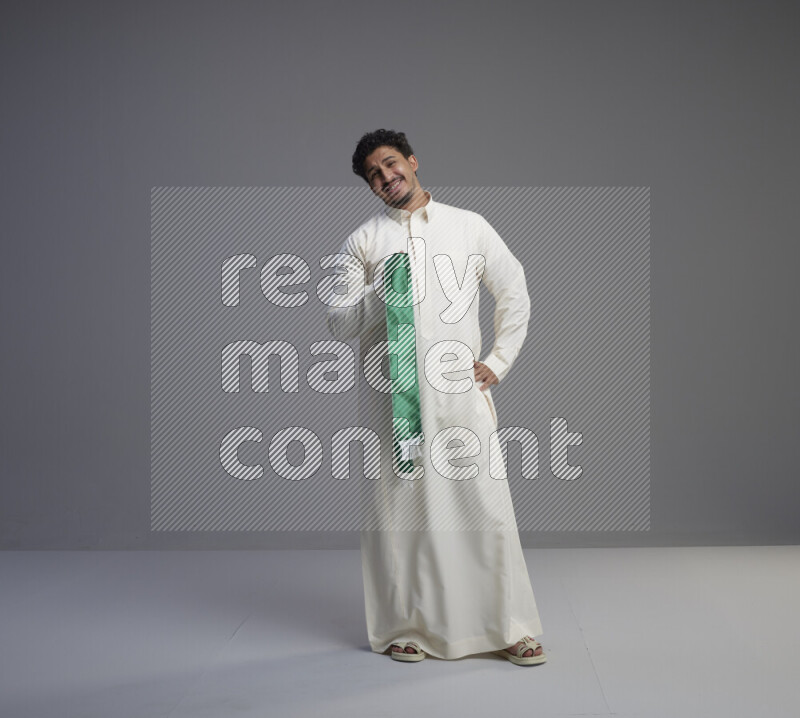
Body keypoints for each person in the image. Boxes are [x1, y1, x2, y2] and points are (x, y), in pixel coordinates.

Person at [326, 129, 545, 665]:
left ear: (413, 161)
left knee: (484, 507)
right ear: (370, 186)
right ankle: (406, 626)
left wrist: (496, 362)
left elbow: (513, 288)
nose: (386, 177)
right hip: (390, 403)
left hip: (459, 397)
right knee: (400, 515)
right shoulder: (363, 243)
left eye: (391, 163)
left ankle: (510, 626)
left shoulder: (469, 226)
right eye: (374, 175)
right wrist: (385, 289)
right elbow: (337, 322)